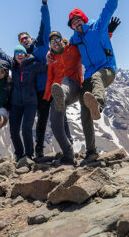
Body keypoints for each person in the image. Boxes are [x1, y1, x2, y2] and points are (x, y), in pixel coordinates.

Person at [68, 0, 127, 165]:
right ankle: (91, 152)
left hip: (107, 70)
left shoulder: (97, 26)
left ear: (83, 19)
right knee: (84, 114)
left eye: (78, 21)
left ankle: (98, 106)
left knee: (95, 79)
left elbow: (110, 5)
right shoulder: (75, 39)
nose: (76, 24)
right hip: (90, 79)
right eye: (73, 23)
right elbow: (63, 50)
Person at [0, 42, 47, 161]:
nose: (19, 54)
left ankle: (29, 154)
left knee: (27, 128)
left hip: (30, 102)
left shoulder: (33, 64)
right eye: (17, 53)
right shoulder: (12, 64)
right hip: (16, 103)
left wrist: (50, 60)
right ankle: (19, 153)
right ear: (15, 55)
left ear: (25, 54)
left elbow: (46, 66)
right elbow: (3, 55)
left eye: (22, 52)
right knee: (14, 130)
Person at [14, 0, 53, 159]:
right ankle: (37, 150)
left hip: (49, 86)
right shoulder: (23, 58)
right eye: (21, 40)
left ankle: (65, 146)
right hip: (34, 92)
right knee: (38, 121)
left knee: (54, 118)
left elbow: (46, 24)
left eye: (26, 38)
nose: (25, 41)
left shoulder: (41, 42)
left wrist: (44, 4)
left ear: (30, 37)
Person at [44, 31, 83, 165]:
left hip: (74, 87)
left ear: (62, 40)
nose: (55, 42)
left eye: (57, 39)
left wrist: (110, 33)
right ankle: (68, 154)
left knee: (64, 83)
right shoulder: (52, 58)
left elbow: (92, 44)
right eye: (52, 41)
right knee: (55, 125)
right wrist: (47, 96)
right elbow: (50, 79)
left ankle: (60, 95)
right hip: (58, 94)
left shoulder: (72, 49)